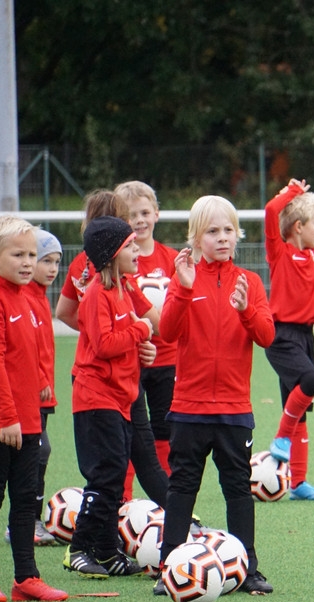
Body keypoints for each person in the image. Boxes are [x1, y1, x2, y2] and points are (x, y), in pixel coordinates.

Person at [153, 195, 276, 596]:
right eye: (212, 231)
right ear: (195, 238)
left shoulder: (250, 282)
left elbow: (267, 336)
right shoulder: (184, 279)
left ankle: (248, 568)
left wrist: (246, 310)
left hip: (234, 410)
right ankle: (169, 567)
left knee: (238, 488)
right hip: (188, 408)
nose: (222, 238)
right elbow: (168, 331)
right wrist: (184, 289)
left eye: (228, 230)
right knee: (182, 486)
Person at [0, 215, 68, 602]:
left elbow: (29, 348)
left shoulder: (28, 297)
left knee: (26, 498)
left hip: (28, 416)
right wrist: (7, 417)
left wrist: (40, 380)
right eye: (18, 255)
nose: (28, 262)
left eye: (31, 255)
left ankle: (26, 578)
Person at [54, 190, 172, 512]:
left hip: (116, 377)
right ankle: (167, 520)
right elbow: (153, 324)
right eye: (126, 219)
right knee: (123, 464)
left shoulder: (93, 266)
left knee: (127, 459)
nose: (132, 227)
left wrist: (122, 340)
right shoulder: (110, 277)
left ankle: (164, 517)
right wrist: (127, 335)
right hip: (106, 384)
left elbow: (65, 312)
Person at [63, 216, 156, 579]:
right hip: (96, 398)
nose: (137, 251)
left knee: (115, 477)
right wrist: (141, 329)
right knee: (105, 476)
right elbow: (104, 345)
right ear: (112, 254)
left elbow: (125, 342)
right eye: (130, 246)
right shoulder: (97, 295)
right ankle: (78, 548)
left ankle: (106, 550)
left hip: (120, 397)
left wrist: (143, 349)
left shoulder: (124, 288)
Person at [263, 178, 314, 500]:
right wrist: (291, 193)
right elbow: (271, 211)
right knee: (311, 380)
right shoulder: (280, 253)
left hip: (306, 336)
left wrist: (307, 197)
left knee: (300, 409)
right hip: (282, 336)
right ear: (299, 227)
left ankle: (298, 483)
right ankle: (281, 437)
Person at [114, 180, 178, 494]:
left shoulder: (172, 259)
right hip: (130, 359)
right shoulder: (118, 262)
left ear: (156, 214)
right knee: (129, 430)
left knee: (165, 430)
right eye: (130, 215)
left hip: (168, 359)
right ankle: (123, 500)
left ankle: (168, 501)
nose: (138, 220)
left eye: (144, 212)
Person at [23, 229, 63, 546]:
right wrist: (39, 380)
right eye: (45, 260)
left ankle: (29, 521)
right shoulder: (24, 297)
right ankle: (24, 523)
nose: (52, 268)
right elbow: (24, 350)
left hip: (42, 393)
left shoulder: (39, 297)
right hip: (29, 394)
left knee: (39, 452)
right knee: (36, 452)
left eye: (57, 262)